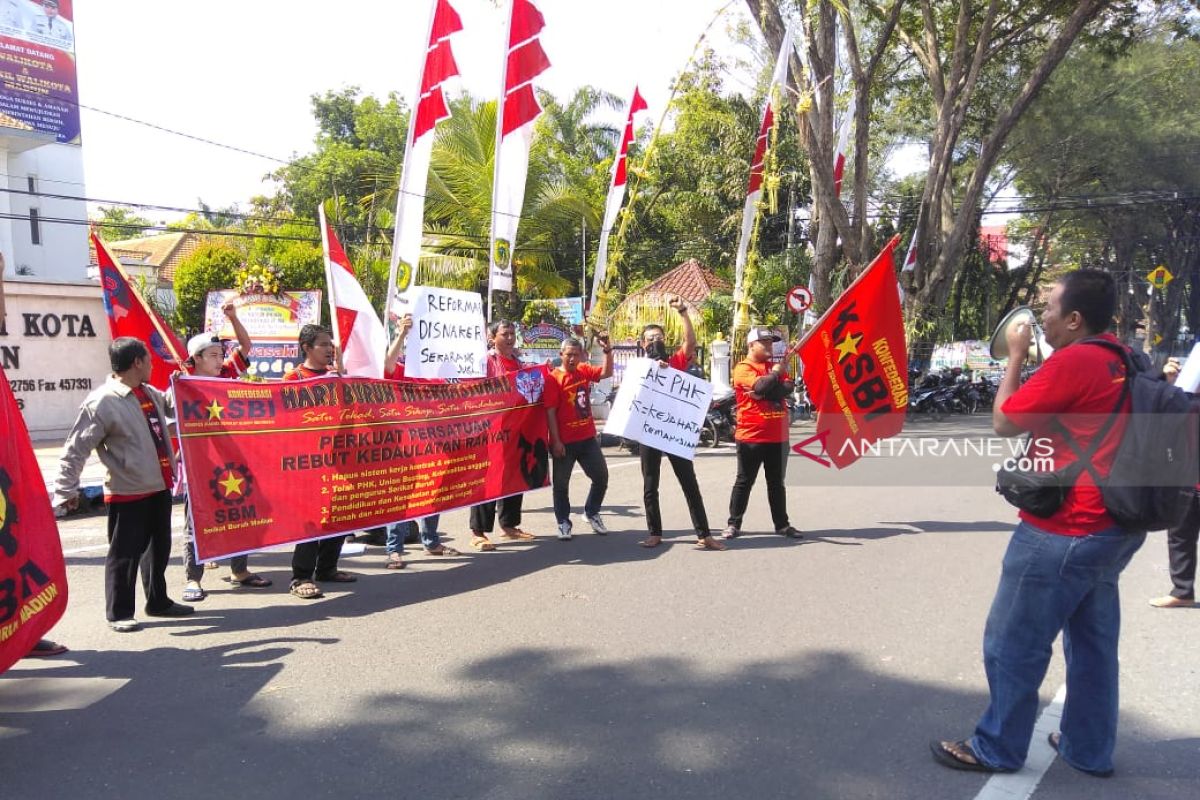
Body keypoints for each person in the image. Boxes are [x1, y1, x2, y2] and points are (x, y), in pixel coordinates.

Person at [931, 269, 1145, 778]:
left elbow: (1006, 421)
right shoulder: (1126, 358)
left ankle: (997, 747)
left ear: (1074, 319)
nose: (1041, 316)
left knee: (1013, 644)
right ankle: (1087, 748)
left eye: (1048, 308)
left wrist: (1016, 359)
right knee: (1093, 647)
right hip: (1115, 527)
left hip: (1065, 531)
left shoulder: (1077, 361)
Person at [54, 337, 195, 632]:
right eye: (149, 360)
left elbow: (172, 404)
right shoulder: (102, 402)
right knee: (125, 554)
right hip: (127, 490)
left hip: (159, 484)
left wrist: (182, 381)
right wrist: (65, 491)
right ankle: (119, 612)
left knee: (158, 549)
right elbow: (75, 449)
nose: (153, 365)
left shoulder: (146, 392)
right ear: (137, 363)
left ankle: (158, 601)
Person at [177, 301, 272, 601]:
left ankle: (240, 570)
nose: (220, 360)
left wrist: (233, 317)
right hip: (200, 467)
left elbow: (246, 345)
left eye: (221, 355)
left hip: (235, 464)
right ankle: (194, 579)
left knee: (241, 515)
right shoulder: (182, 386)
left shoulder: (229, 376)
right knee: (197, 522)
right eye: (213, 355)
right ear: (196, 358)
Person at [466, 320, 564, 550]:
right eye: (505, 334)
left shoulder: (519, 362)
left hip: (517, 430)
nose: (510, 338)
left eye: (512, 334)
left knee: (516, 475)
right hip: (491, 431)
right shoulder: (484, 363)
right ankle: (478, 532)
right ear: (491, 338)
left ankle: (509, 525)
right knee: (488, 478)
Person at [638, 297, 724, 551]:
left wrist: (683, 312)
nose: (656, 341)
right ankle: (654, 533)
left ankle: (704, 534)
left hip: (674, 431)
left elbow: (691, 343)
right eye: (651, 338)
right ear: (643, 344)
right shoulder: (638, 368)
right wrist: (652, 371)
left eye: (659, 337)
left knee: (689, 482)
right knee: (650, 485)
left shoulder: (675, 363)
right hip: (649, 432)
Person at [282, 324, 356, 598]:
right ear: (307, 348)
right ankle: (300, 576)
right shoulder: (294, 377)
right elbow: (289, 419)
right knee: (311, 518)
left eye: (330, 344)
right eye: (323, 344)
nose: (329, 349)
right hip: (309, 461)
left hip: (338, 458)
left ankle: (327, 567)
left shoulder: (335, 376)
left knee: (338, 513)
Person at [380, 315, 456, 568]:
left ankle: (431, 542)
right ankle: (394, 549)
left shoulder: (438, 377)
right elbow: (386, 366)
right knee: (401, 497)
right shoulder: (402, 371)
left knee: (433, 494)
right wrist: (401, 334)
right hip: (405, 448)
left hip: (435, 447)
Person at [723, 327, 802, 540]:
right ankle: (734, 523)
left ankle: (782, 525)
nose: (769, 345)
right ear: (751, 345)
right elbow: (762, 384)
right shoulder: (743, 368)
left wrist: (764, 391)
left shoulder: (770, 366)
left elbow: (787, 387)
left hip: (778, 435)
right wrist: (774, 376)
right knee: (744, 481)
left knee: (776, 483)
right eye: (764, 342)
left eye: (771, 342)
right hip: (751, 435)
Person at [549, 335, 613, 540]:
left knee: (601, 477)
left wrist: (608, 351)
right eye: (568, 355)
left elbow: (606, 372)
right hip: (564, 442)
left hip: (587, 438)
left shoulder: (584, 370)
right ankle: (563, 522)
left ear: (581, 356)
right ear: (561, 355)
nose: (572, 359)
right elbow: (550, 412)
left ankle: (592, 512)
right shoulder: (553, 378)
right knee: (561, 485)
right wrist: (556, 441)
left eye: (576, 355)